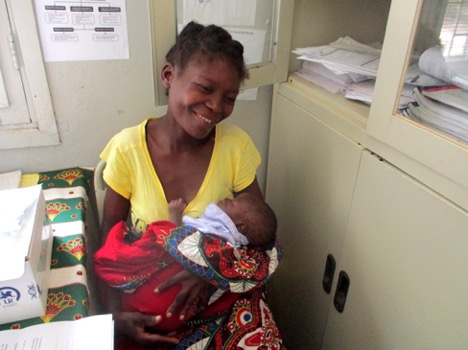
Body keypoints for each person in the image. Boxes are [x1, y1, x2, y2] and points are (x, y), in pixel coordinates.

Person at [98, 20, 284, 349]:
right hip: (150, 307)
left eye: (230, 97)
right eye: (205, 88)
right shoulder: (128, 150)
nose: (216, 106)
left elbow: (262, 240)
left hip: (219, 302)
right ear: (169, 76)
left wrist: (208, 268)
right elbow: (107, 247)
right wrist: (116, 319)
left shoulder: (236, 148)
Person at [93, 193, 277, 333]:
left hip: (187, 308)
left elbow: (179, 241)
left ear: (240, 227)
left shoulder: (220, 236)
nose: (226, 198)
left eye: (233, 202)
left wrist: (207, 270)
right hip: (168, 311)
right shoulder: (126, 150)